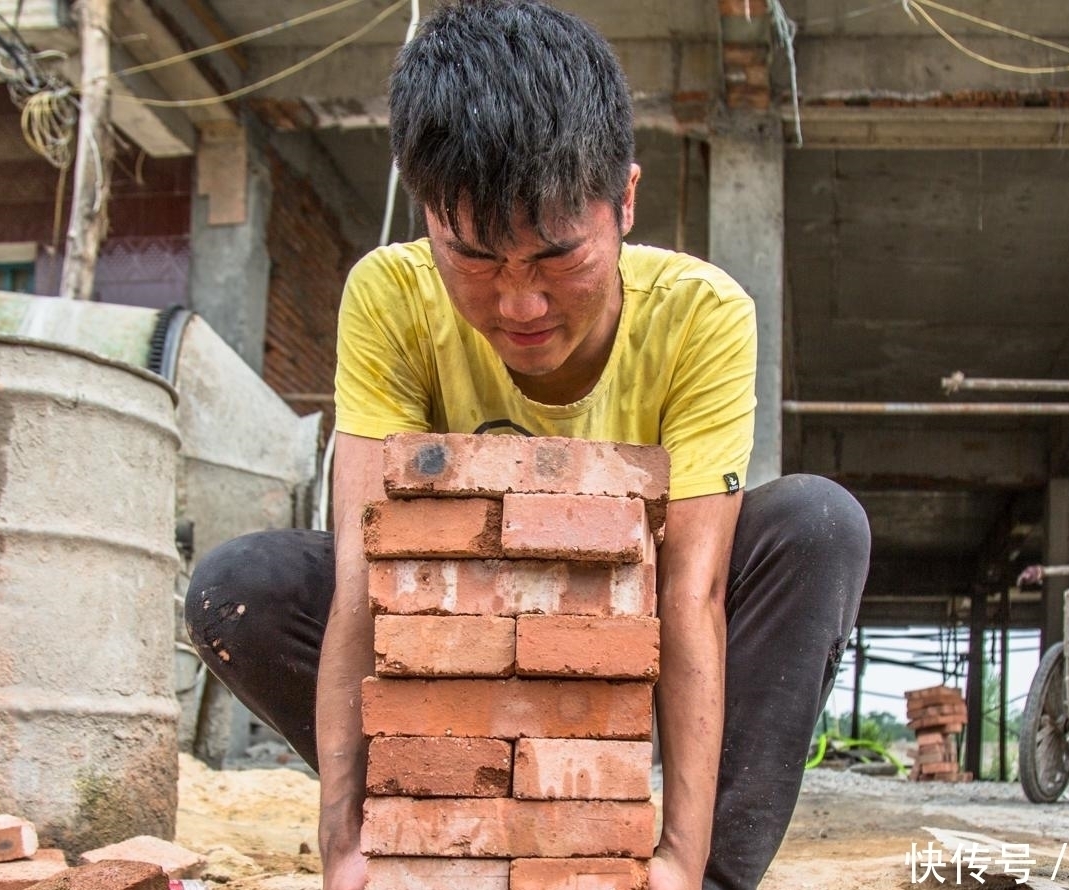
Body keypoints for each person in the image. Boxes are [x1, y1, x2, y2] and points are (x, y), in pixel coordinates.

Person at [185, 2, 870, 888]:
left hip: (644, 634)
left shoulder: (703, 316)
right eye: (473, 259)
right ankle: (444, 827)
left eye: (554, 259)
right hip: (460, 640)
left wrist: (678, 855)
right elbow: (362, 569)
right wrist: (345, 837)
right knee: (241, 590)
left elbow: (695, 593)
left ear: (624, 199)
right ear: (428, 211)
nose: (518, 307)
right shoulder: (390, 298)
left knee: (818, 525)